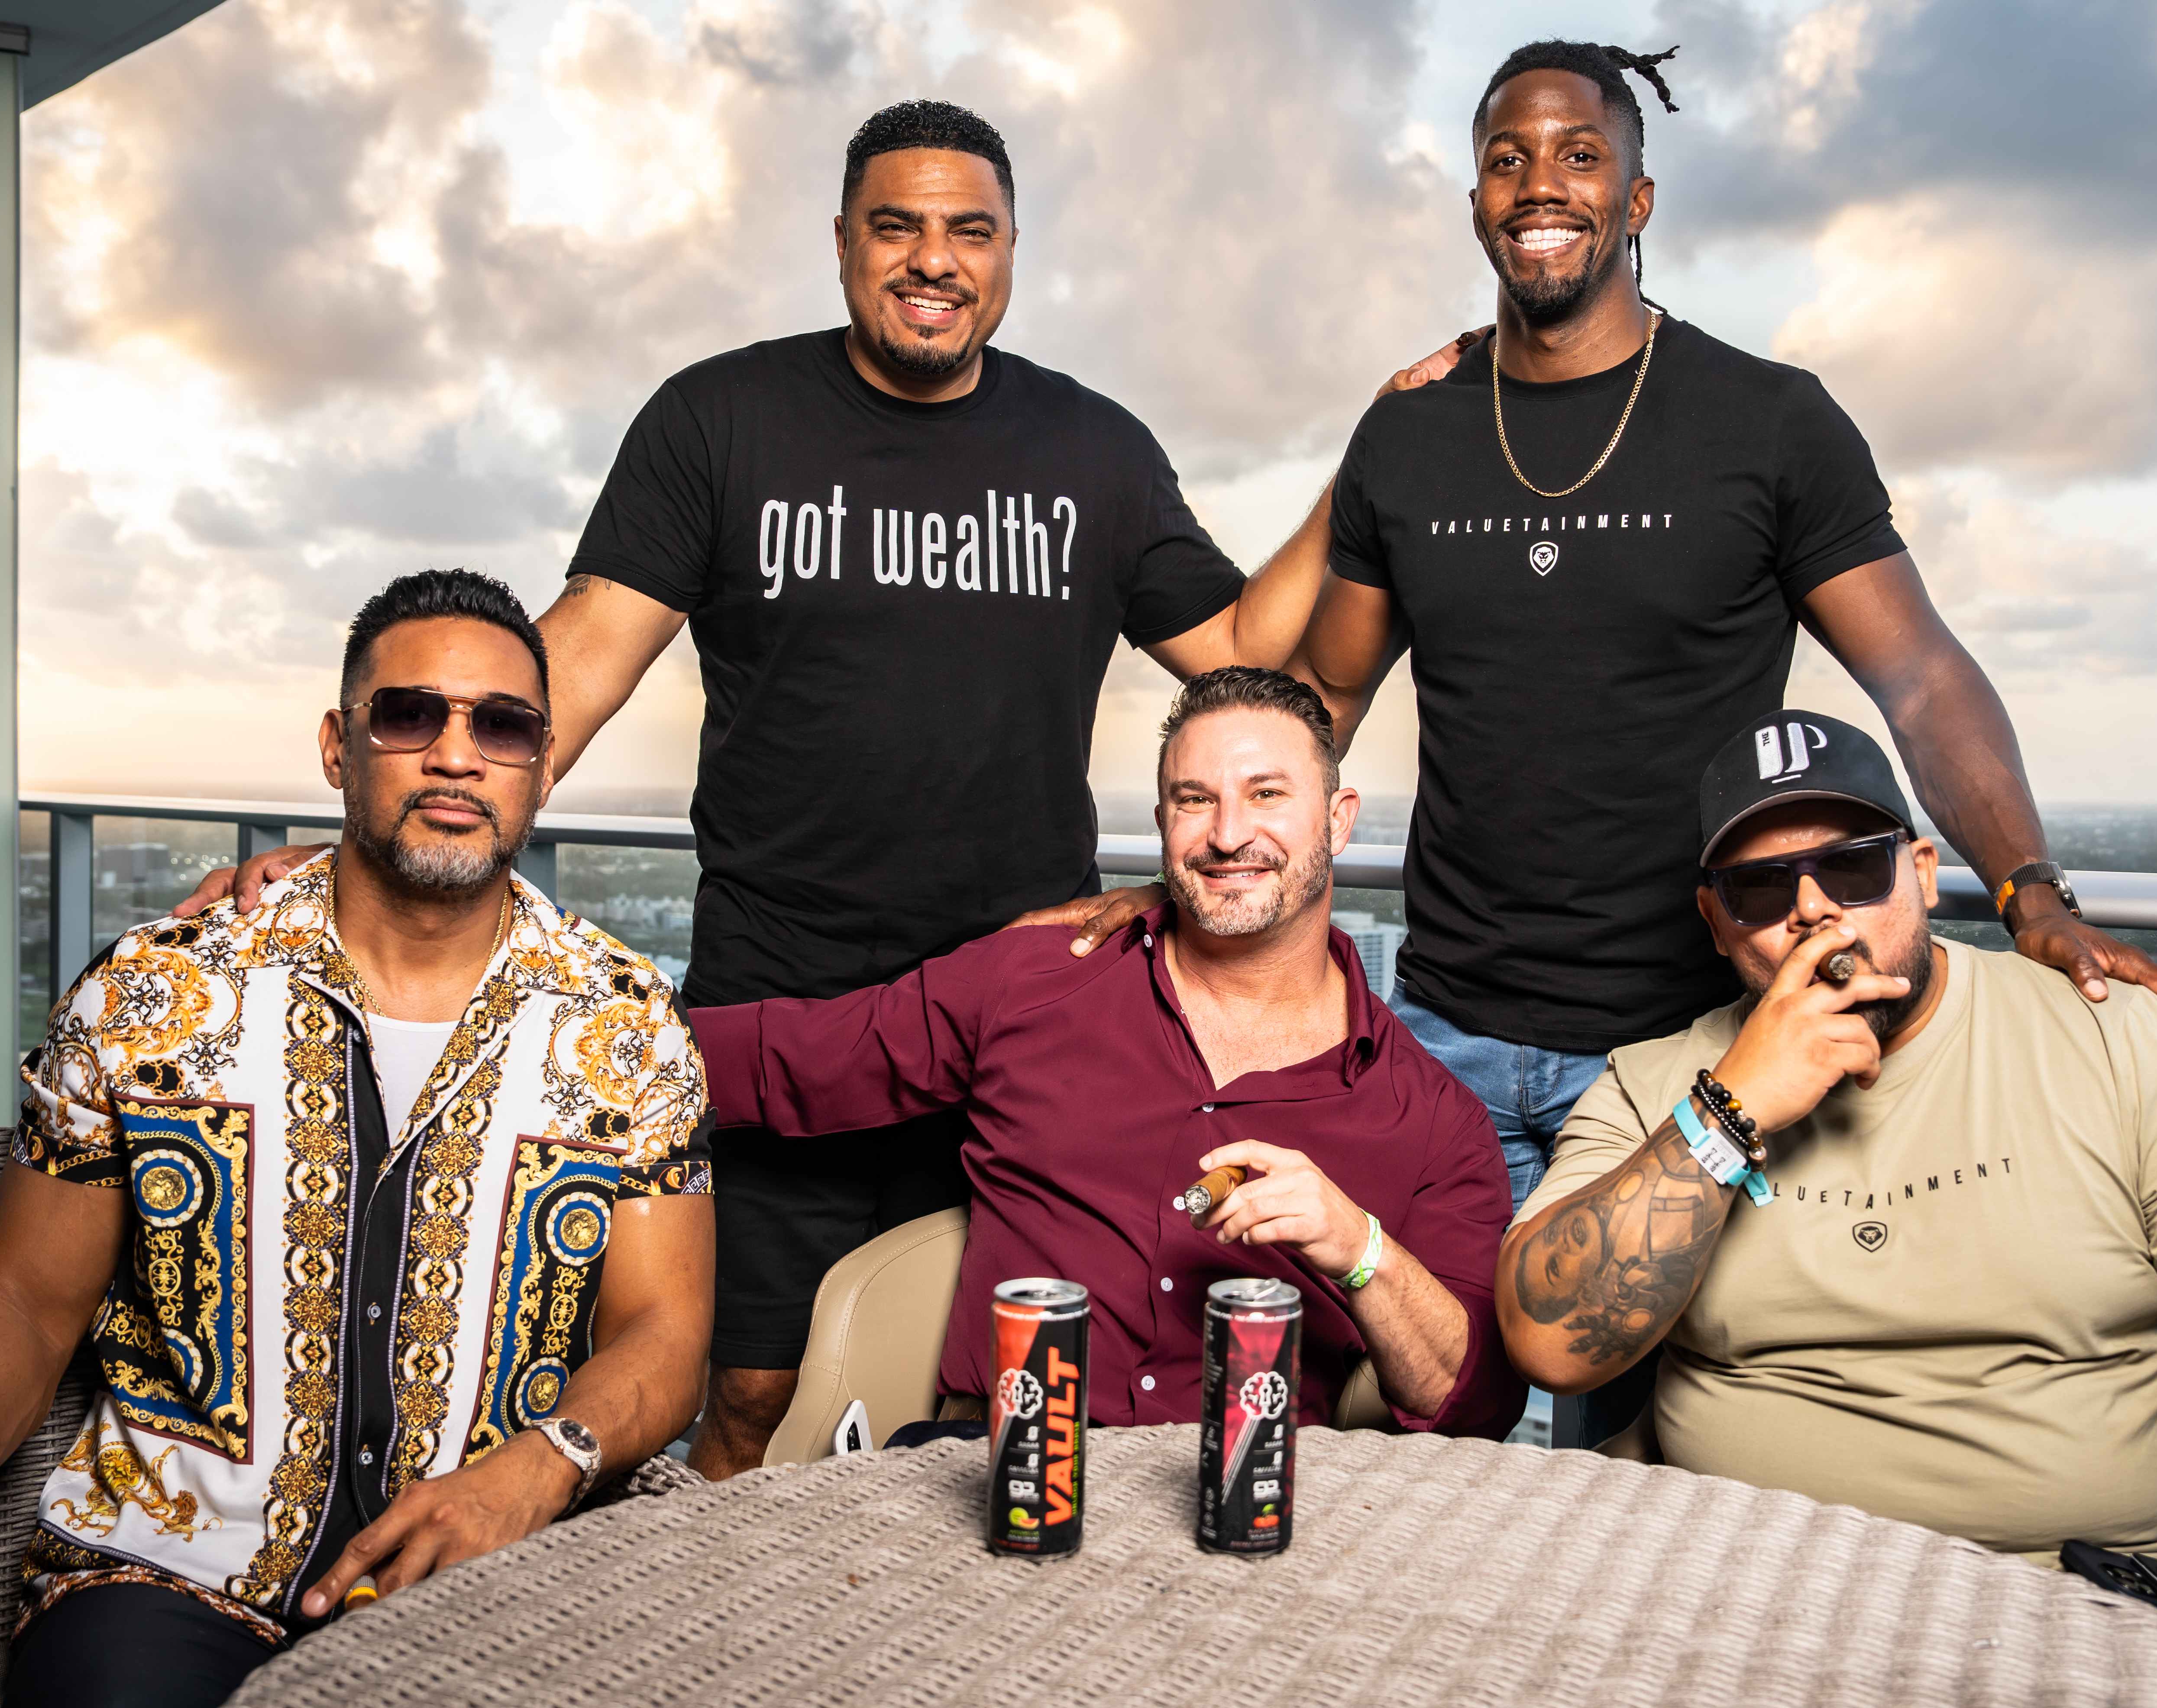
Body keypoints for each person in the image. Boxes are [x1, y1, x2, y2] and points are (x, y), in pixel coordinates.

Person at [177, 102, 1465, 1478]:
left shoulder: (1093, 452)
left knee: (994, 1395)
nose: (933, 259)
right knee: (747, 1387)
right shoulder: (720, 420)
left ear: (1011, 253)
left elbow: (1245, 681)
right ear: (844, 244)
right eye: (897, 226)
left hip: (1006, 1015)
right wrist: (358, 849)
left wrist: (1359, 468)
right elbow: (571, 677)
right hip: (778, 993)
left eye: (969, 231)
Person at [1122, 41, 2157, 1229]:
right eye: (1509, 160)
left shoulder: (1769, 423)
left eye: (1581, 155)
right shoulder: (1408, 437)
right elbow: (1318, 706)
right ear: (1478, 202)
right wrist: (1188, 879)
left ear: (1637, 199)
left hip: (1690, 1047)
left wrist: (2031, 893)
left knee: (1654, 1416)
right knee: (1428, 1395)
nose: (1542, 183)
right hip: (1442, 1035)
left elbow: (1921, 676)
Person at [0, 572, 715, 1708]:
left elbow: (666, 1335)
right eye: (412, 715)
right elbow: (26, 1299)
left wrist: (534, 1472)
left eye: (504, 726)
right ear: (340, 747)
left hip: (497, 1574)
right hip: (163, 1581)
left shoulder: (624, 1025)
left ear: (545, 767)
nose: (457, 756)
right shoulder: (153, 995)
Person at [1498, 711, 2157, 1666]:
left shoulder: (2118, 1040)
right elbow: (1549, 1339)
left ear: (1921, 873)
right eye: (1759, 887)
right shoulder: (1657, 1084)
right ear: (1716, 922)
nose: (1816, 909)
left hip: (2078, 1613)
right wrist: (1730, 1109)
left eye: (1856, 867)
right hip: (1743, 1609)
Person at [687, 669, 1520, 1438]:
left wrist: (1359, 1248)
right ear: (1163, 825)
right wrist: (576, 1022)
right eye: (1195, 801)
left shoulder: (1433, 1120)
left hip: (1235, 1506)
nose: (1229, 835)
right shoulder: (1034, 982)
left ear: (1337, 819)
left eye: (1267, 794)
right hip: (993, 1466)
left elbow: (1472, 1404)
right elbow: (789, 1061)